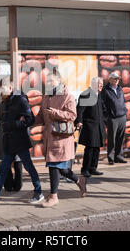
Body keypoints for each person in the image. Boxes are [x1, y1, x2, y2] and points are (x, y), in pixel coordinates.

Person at [0, 83, 44, 206]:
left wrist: (14, 124)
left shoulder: (20, 100)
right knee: (3, 169)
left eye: (3, 89)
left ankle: (38, 192)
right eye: (0, 90)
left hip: (20, 141)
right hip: (8, 141)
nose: (2, 92)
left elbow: (30, 120)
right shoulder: (6, 102)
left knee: (29, 167)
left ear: (11, 88)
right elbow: (3, 118)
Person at [35, 71, 87, 208]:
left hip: (61, 139)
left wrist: (55, 113)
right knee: (62, 169)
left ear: (59, 81)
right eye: (48, 81)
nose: (49, 83)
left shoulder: (67, 96)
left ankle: (53, 196)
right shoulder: (46, 96)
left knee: (53, 166)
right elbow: (41, 115)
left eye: (52, 81)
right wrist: (29, 120)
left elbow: (72, 115)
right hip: (50, 138)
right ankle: (79, 181)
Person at [75, 77, 106, 177]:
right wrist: (79, 121)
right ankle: (85, 169)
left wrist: (105, 120)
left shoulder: (99, 94)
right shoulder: (86, 94)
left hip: (99, 125)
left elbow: (102, 109)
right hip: (90, 125)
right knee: (90, 148)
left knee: (97, 148)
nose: (101, 85)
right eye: (99, 84)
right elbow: (80, 109)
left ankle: (93, 168)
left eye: (102, 83)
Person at [101, 72, 128, 165]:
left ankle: (119, 156)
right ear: (110, 80)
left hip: (122, 116)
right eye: (115, 79)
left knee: (120, 138)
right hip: (112, 118)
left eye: (118, 79)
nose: (117, 80)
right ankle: (111, 158)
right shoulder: (105, 90)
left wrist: (125, 111)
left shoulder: (120, 89)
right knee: (112, 138)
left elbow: (123, 101)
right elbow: (102, 104)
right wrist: (107, 115)